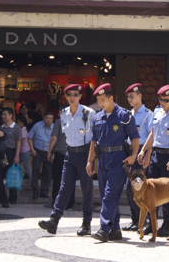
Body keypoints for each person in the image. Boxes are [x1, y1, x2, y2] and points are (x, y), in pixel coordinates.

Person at [38, 85, 96, 236]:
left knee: (87, 189)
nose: (72, 97)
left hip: (85, 153)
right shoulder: (63, 113)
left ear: (80, 96)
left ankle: (87, 223)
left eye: (75, 94)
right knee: (64, 188)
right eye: (69, 94)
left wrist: (92, 159)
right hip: (69, 154)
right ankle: (54, 220)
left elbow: (95, 137)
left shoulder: (89, 113)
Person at [85, 83, 139, 242]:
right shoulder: (97, 117)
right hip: (102, 159)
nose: (100, 103)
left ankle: (104, 228)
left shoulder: (124, 116)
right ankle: (115, 229)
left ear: (111, 97)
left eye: (103, 100)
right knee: (104, 195)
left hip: (119, 159)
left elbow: (135, 137)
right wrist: (90, 161)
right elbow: (94, 142)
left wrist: (134, 155)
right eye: (98, 100)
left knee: (110, 194)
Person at [137, 85, 169, 237]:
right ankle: (151, 224)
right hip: (156, 156)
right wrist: (143, 150)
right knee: (150, 189)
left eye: (166, 100)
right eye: (160, 99)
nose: (162, 103)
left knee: (167, 193)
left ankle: (166, 225)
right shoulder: (157, 112)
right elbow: (153, 134)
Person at [122, 83, 153, 232]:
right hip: (129, 151)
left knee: (136, 187)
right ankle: (135, 220)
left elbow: (152, 137)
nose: (129, 99)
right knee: (129, 189)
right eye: (128, 96)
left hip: (141, 152)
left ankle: (143, 219)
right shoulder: (128, 114)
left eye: (132, 96)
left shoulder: (148, 114)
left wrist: (147, 155)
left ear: (140, 96)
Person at [49, 117, 75, 208]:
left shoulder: (59, 121)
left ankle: (56, 203)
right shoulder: (76, 120)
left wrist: (49, 151)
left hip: (60, 153)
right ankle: (70, 203)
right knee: (71, 179)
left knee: (57, 179)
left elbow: (53, 137)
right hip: (73, 153)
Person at [28, 112, 55, 199]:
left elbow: (57, 142)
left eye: (51, 118)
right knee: (36, 168)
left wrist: (53, 153)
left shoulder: (54, 127)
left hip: (49, 152)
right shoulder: (37, 125)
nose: (49, 120)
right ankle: (35, 189)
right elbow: (29, 137)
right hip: (37, 151)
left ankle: (44, 191)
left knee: (47, 172)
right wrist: (32, 149)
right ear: (43, 118)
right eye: (47, 118)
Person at [0, 107, 23, 204]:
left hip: (11, 152)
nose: (3, 116)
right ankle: (0, 195)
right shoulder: (1, 127)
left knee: (12, 174)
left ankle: (13, 197)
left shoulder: (16, 127)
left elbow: (18, 142)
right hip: (2, 153)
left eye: (5, 114)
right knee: (0, 174)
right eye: (2, 114)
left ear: (11, 115)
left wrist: (16, 156)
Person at [16, 115, 33, 190]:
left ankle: (33, 184)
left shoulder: (23, 131)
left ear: (22, 123)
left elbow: (20, 142)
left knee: (27, 168)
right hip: (23, 152)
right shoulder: (23, 130)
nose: (17, 123)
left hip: (25, 152)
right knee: (15, 164)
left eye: (18, 122)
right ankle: (15, 181)